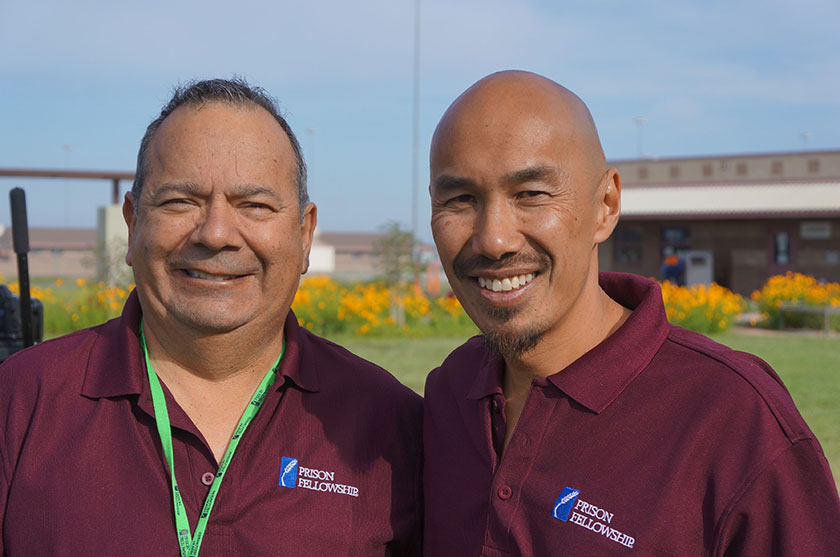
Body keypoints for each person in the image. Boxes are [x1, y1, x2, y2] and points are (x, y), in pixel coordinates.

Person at [423, 70, 840, 555]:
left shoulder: (738, 422)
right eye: (459, 200)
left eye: (531, 194)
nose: (494, 239)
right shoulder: (451, 394)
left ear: (606, 204)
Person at [0, 78, 422, 555]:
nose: (217, 233)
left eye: (255, 205)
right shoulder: (19, 402)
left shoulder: (394, 424)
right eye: (180, 201)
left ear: (304, 235)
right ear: (133, 222)